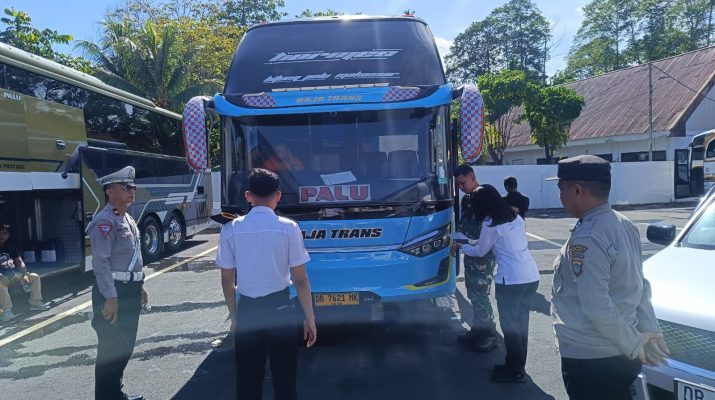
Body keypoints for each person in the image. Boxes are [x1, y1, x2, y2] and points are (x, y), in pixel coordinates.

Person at [548, 155, 669, 400]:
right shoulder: (624, 224)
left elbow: (597, 307)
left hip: (592, 360)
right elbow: (639, 284)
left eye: (561, 189)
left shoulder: (588, 237)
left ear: (578, 190)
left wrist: (636, 343)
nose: (560, 196)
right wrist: (648, 330)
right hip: (619, 353)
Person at [216, 168, 317, 400]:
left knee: (248, 383)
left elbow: (227, 280)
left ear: (248, 196)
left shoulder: (230, 229)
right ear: (278, 195)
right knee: (285, 381)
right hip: (280, 309)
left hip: (249, 311)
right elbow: (300, 280)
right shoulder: (289, 228)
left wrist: (234, 316)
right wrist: (309, 319)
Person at [452, 185, 540, 383]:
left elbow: (480, 251)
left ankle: (515, 370)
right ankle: (516, 365)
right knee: (521, 324)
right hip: (530, 276)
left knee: (510, 327)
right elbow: (493, 243)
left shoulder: (490, 224)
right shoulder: (515, 217)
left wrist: (461, 246)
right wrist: (470, 243)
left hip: (510, 279)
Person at [89, 166, 148, 400]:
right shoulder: (104, 222)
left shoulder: (127, 219)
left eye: (132, 186)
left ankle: (115, 393)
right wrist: (111, 297)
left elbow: (132, 258)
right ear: (110, 191)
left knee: (125, 347)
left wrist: (139, 286)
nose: (132, 190)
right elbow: (100, 263)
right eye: (125, 187)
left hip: (129, 289)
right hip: (113, 292)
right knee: (111, 349)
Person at [452, 164, 498, 352]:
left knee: (481, 295)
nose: (461, 187)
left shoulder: (485, 197)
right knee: (472, 293)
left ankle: (490, 333)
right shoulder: (466, 200)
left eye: (462, 183)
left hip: (483, 255)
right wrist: (457, 240)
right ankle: (478, 330)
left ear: (472, 176)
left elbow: (491, 228)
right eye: (458, 185)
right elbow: (464, 224)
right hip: (470, 252)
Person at [0, 223, 50, 322]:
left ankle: (35, 303)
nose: (2, 236)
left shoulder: (11, 246)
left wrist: (24, 275)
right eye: (0, 233)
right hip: (2, 278)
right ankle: (6, 311)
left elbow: (20, 262)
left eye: (4, 233)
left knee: (35, 277)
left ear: (8, 235)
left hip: (13, 275)